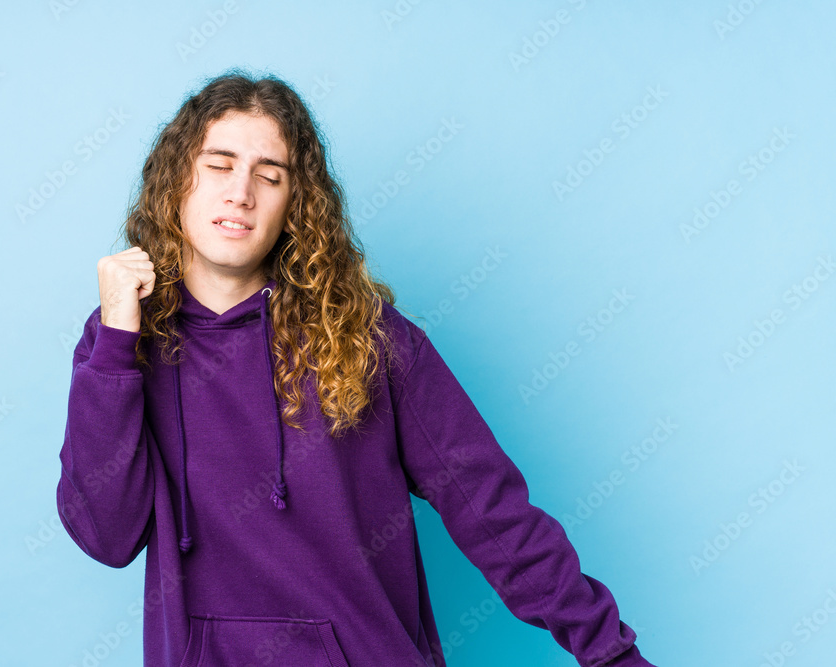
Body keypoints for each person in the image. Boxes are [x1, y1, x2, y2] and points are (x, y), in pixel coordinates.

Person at [56, 68, 655, 666]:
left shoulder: (366, 338)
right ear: (176, 179)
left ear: (294, 204)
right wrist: (115, 344)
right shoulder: (123, 338)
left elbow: (493, 511)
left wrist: (610, 654)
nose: (241, 192)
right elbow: (108, 537)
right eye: (219, 165)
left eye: (270, 176)